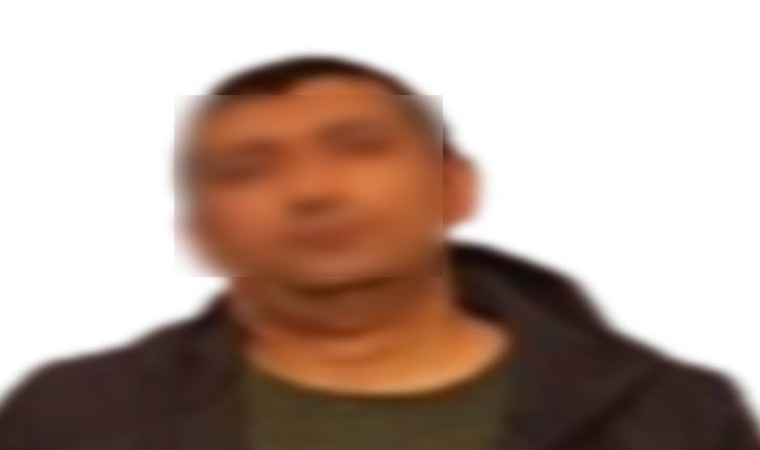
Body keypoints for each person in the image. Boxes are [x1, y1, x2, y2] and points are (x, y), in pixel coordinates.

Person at [0, 56, 757, 450]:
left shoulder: (670, 418)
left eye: (359, 147)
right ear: (200, 234)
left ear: (455, 187)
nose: (312, 191)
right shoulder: (77, 418)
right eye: (247, 169)